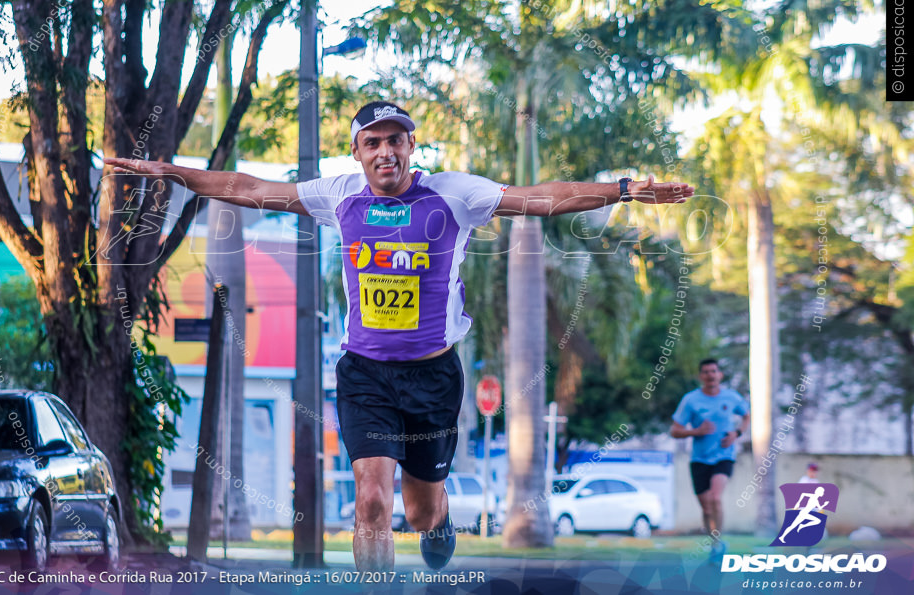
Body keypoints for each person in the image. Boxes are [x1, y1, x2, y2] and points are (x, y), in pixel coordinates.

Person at [106, 100, 694, 572]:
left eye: (396, 140)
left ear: (411, 146)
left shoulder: (454, 193)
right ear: (358, 154)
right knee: (371, 501)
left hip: (434, 377)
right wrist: (175, 174)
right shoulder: (339, 195)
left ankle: (439, 522)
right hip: (364, 375)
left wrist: (619, 189)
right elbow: (247, 186)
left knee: (419, 511)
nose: (385, 151)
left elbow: (538, 199)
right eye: (373, 142)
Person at [670, 358, 750, 561]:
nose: (710, 375)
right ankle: (715, 542)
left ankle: (718, 541)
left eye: (714, 371)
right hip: (699, 459)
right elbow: (675, 430)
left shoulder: (731, 397)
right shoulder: (691, 400)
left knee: (715, 498)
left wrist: (737, 433)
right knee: (706, 507)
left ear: (720, 375)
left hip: (724, 456)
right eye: (705, 372)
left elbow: (747, 415)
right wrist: (696, 431)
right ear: (701, 376)